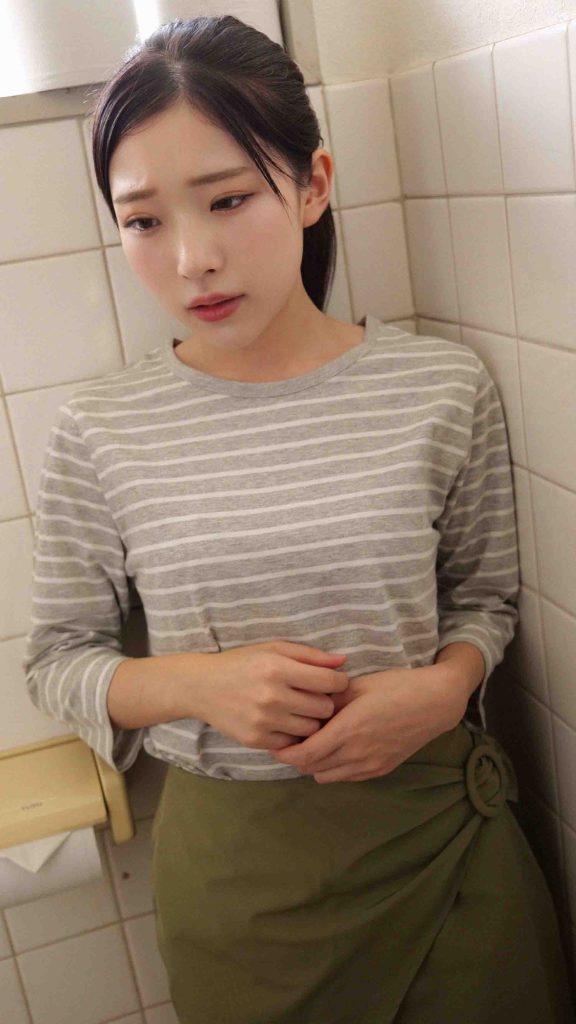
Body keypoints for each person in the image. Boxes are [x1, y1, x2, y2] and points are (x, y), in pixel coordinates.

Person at [23, 15, 574, 1024]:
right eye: (143, 221)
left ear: (313, 184)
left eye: (229, 199)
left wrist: (445, 688)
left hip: (442, 843)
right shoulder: (101, 430)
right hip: (240, 892)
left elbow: (485, 599)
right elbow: (58, 660)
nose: (193, 259)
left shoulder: (440, 386)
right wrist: (201, 683)